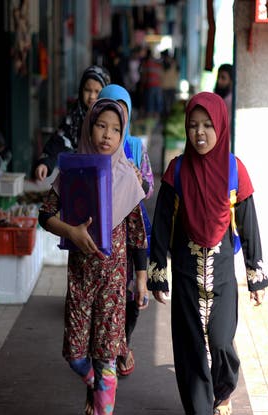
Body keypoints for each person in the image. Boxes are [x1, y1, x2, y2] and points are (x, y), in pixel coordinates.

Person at [147, 92, 268, 415]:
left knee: (220, 340)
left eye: (207, 125)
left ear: (221, 126)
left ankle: (224, 387)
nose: (200, 133)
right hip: (185, 268)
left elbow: (248, 223)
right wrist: (158, 272)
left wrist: (256, 277)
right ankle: (199, 412)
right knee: (188, 345)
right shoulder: (178, 170)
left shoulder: (234, 169)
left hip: (222, 271)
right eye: (193, 126)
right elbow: (162, 224)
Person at [38, 98, 148, 415]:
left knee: (105, 359)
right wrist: (69, 230)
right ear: (89, 127)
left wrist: (142, 280)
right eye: (101, 126)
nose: (108, 135)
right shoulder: (73, 170)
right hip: (81, 279)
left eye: (116, 129)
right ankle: (97, 387)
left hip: (114, 283)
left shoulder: (129, 176)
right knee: (74, 355)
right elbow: (45, 214)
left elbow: (137, 235)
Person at [98, 84, 155, 377]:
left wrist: (135, 180)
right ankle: (109, 353)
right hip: (101, 232)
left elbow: (148, 189)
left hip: (131, 234)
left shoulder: (134, 146)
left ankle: (125, 342)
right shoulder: (91, 149)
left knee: (132, 295)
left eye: (121, 113)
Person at [33, 65, 111, 181]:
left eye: (97, 91)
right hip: (77, 177)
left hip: (105, 178)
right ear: (81, 90)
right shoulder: (74, 117)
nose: (92, 96)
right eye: (87, 90)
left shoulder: (111, 118)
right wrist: (45, 163)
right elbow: (60, 140)